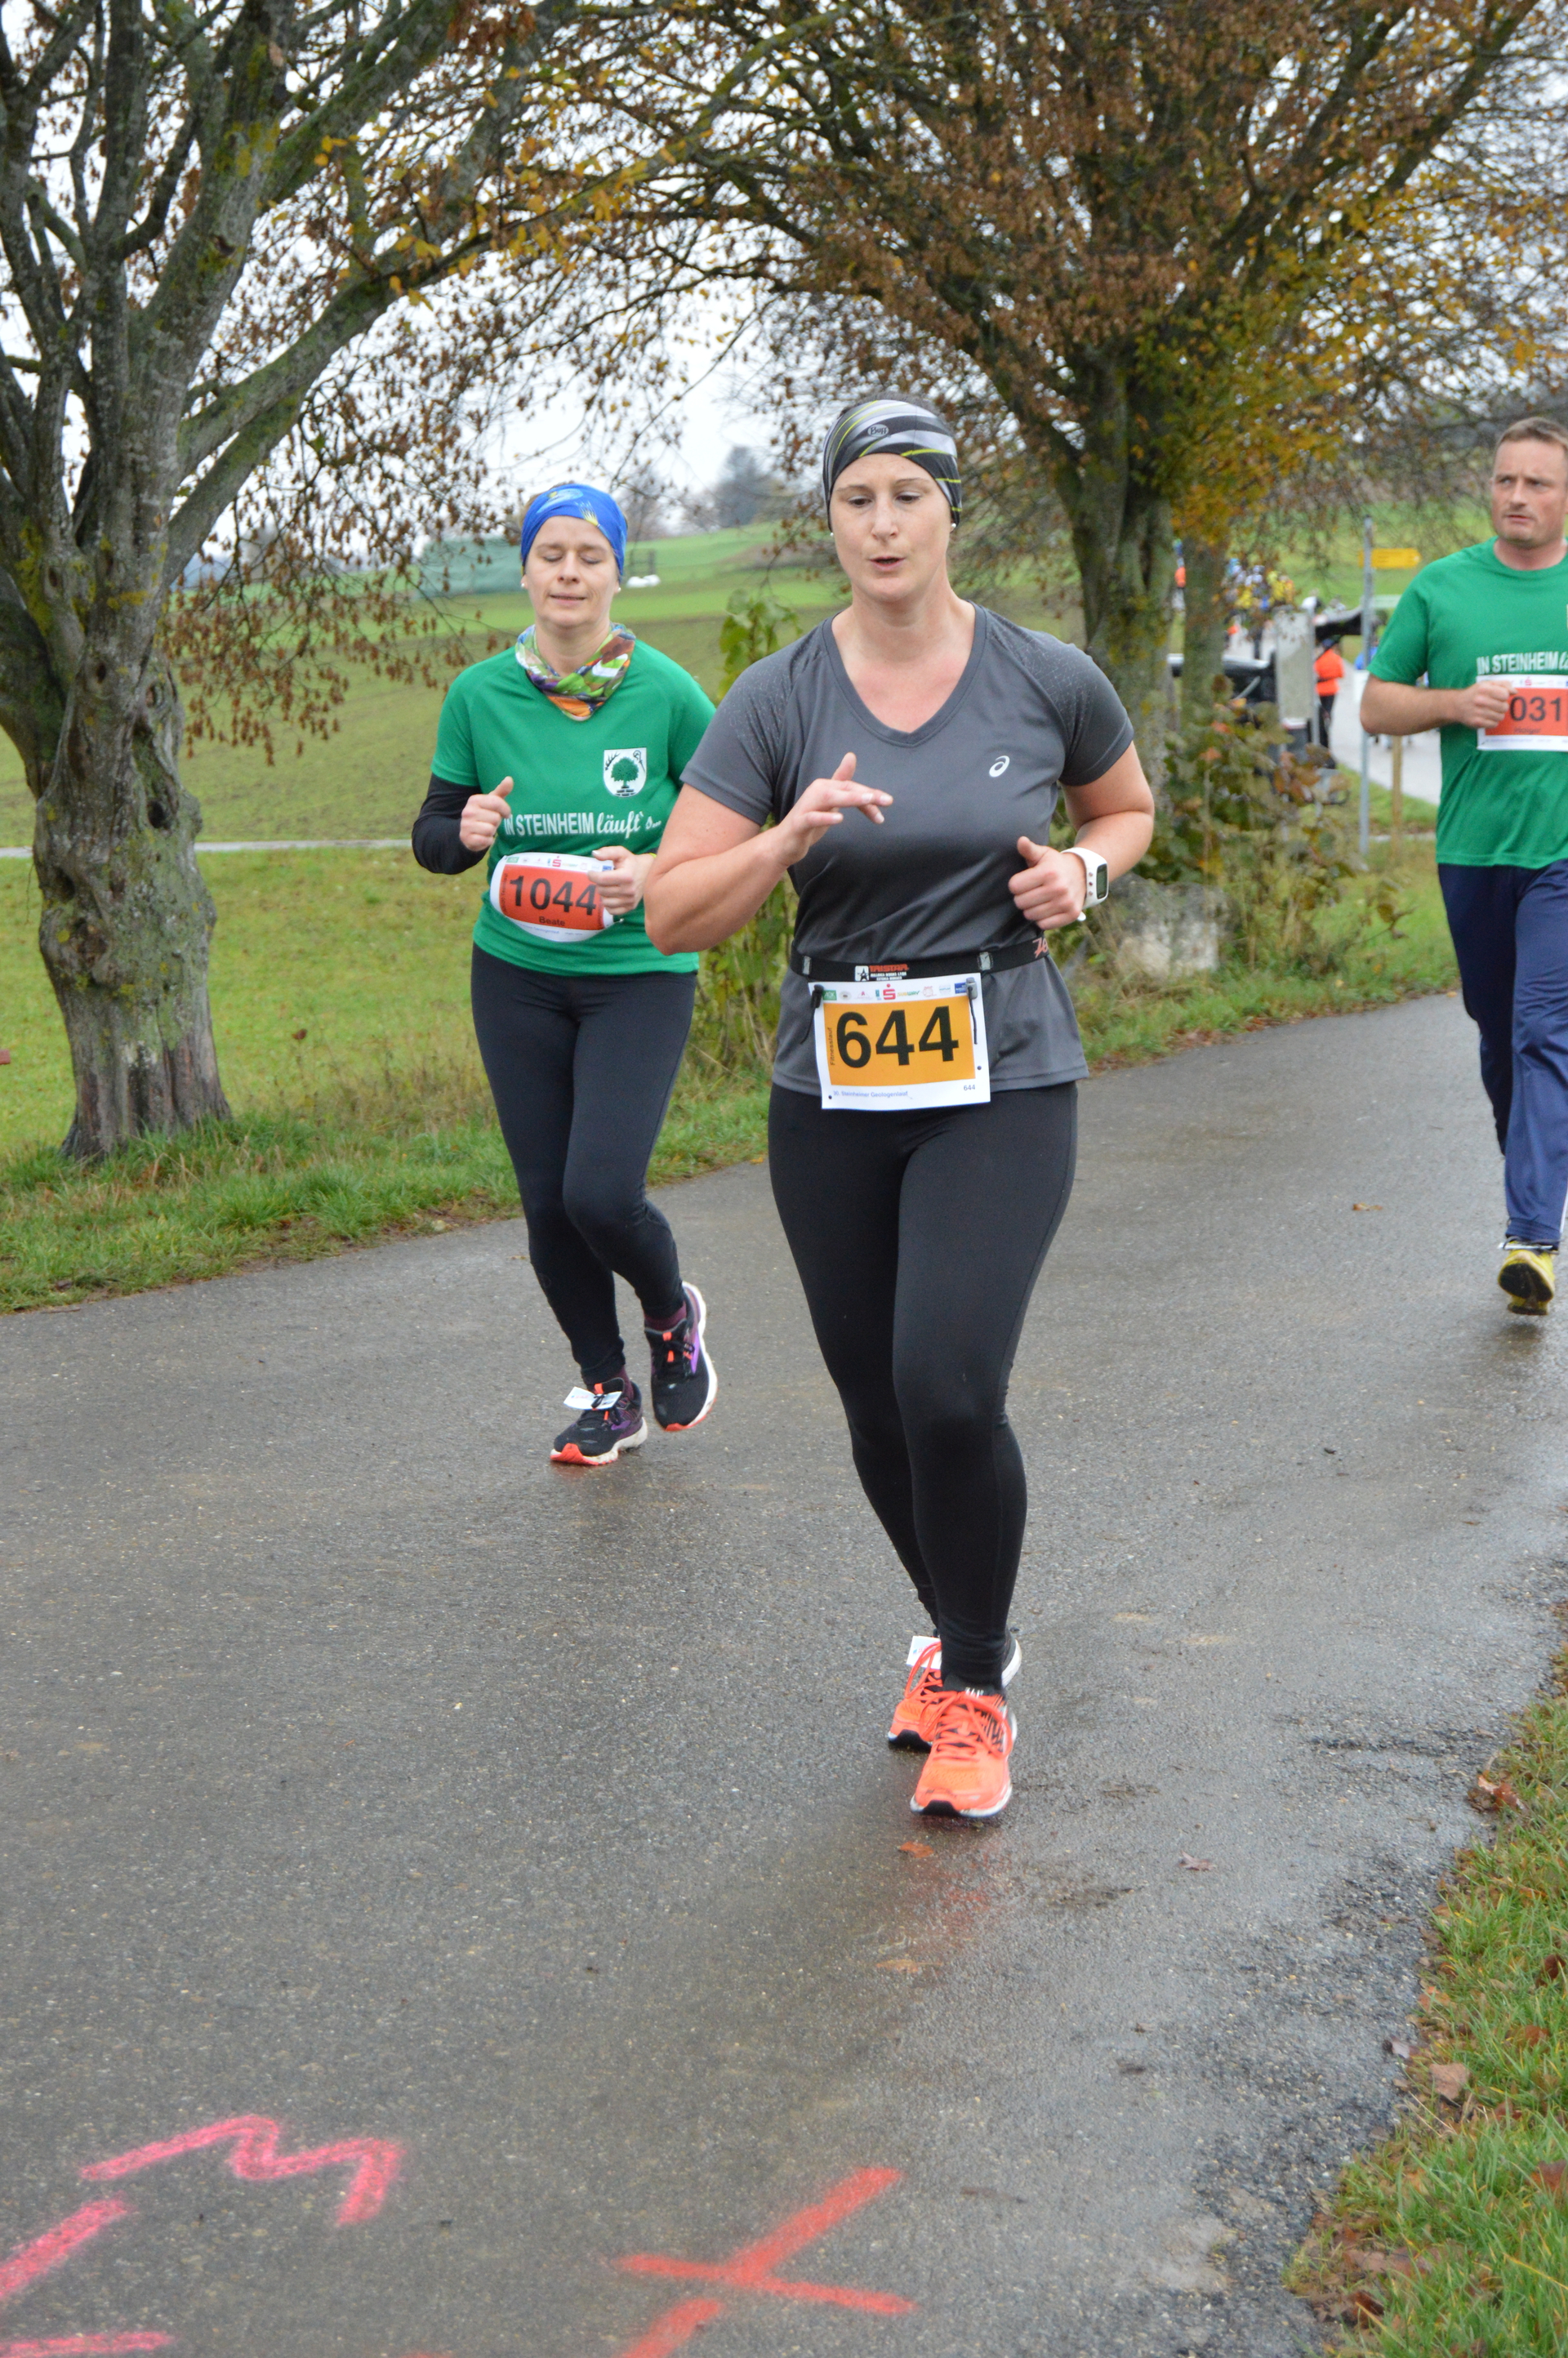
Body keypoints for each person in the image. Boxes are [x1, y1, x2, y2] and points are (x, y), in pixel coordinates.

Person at [644, 396, 1154, 1821]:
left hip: (1001, 1073)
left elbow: (1125, 809)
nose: (881, 525)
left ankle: (976, 1687)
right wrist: (783, 838)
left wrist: (1086, 875)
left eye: (907, 496)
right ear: (830, 519)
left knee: (947, 1380)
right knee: (877, 1403)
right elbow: (673, 911)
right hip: (834, 1084)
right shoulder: (780, 699)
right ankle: (952, 1625)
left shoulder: (1046, 677)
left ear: (950, 511)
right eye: (855, 499)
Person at [412, 482, 719, 1460]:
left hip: (639, 972)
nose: (570, 573)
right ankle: (607, 1389)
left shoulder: (667, 692)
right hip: (516, 975)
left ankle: (671, 1316)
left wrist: (658, 869)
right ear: (527, 571)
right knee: (547, 1202)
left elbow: (732, 824)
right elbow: (432, 836)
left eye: (591, 555)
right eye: (552, 555)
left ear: (617, 572)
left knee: (600, 1192)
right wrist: (462, 833)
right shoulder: (479, 695)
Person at [1363, 417, 1568, 1316]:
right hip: (1473, 852)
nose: (1517, 496)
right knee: (1498, 1031)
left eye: (1538, 483)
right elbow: (1375, 706)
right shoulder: (1442, 588)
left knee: (1542, 1028)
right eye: (1505, 480)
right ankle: (1534, 1163)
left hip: (1561, 856)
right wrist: (1453, 702)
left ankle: (1532, 1237)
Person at [1315, 638, 1345, 750]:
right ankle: (1328, 719)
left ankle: (1324, 720)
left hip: (1320, 688)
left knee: (1322, 708)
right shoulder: (1336, 658)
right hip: (1332, 687)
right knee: (1329, 708)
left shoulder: (1319, 659)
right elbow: (1341, 674)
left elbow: (1316, 672)